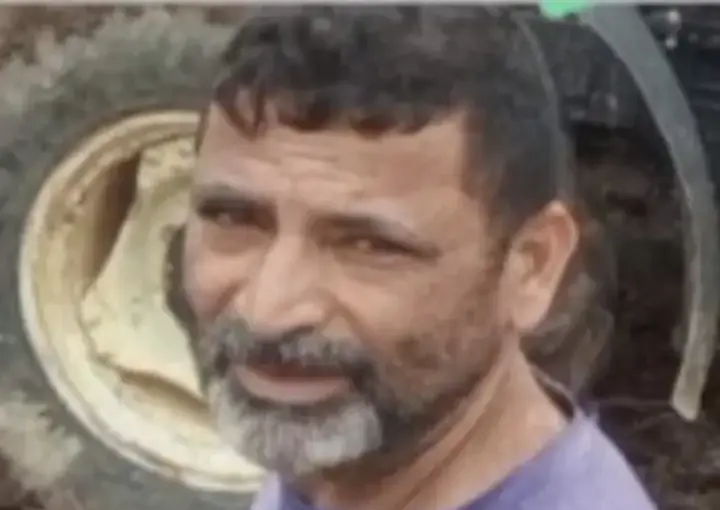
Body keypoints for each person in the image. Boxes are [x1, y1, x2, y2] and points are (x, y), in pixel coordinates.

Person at [182, 6, 657, 510]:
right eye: (233, 218)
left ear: (533, 266)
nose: (267, 311)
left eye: (368, 246)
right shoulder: (349, 452)